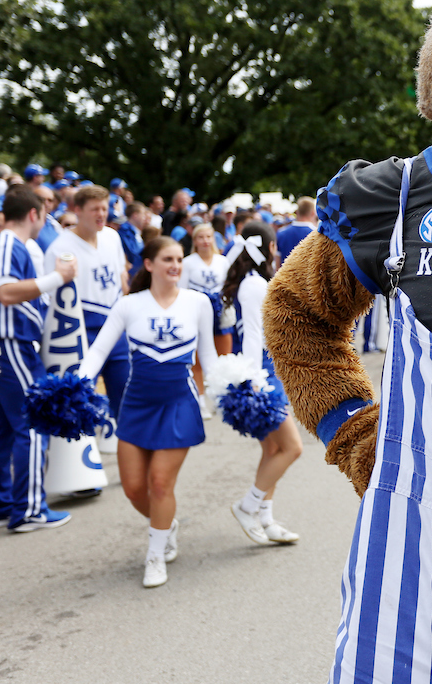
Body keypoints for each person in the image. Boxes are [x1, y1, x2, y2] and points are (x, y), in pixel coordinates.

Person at [79, 236, 217, 587]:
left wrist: (230, 390)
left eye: (178, 260)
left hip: (178, 403)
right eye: (167, 259)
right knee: (134, 488)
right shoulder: (128, 305)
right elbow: (97, 352)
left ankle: (155, 555)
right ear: (149, 264)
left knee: (159, 483)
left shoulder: (198, 303)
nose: (175, 265)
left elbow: (209, 358)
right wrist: (76, 384)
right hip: (136, 403)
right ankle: (165, 524)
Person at [0, 185, 78, 531]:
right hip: (10, 342)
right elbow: (5, 291)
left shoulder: (5, 244)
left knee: (0, 428)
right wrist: (57, 277)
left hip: (1, 343)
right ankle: (28, 510)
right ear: (34, 214)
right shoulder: (7, 244)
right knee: (32, 423)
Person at [223, 221, 302, 546]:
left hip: (263, 373)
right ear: (270, 248)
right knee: (292, 448)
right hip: (261, 377)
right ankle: (248, 506)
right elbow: (254, 337)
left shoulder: (248, 282)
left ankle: (266, 519)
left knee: (272, 449)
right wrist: (255, 383)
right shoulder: (254, 284)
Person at [45, 185, 131, 442]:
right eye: (95, 209)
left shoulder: (112, 237)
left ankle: (127, 445)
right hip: (81, 329)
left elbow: (121, 277)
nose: (101, 214)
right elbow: (53, 300)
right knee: (81, 394)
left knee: (124, 390)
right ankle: (81, 456)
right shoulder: (59, 247)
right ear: (77, 210)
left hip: (115, 327)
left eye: (105, 208)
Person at [181, 222, 233, 356]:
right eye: (201, 237)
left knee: (224, 354)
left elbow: (229, 288)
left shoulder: (222, 261)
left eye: (209, 237)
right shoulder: (187, 262)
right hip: (196, 312)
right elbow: (181, 290)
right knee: (199, 356)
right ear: (194, 241)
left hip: (220, 313)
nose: (205, 240)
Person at [274, 196, 317, 264]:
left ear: (297, 212)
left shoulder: (281, 233)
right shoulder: (317, 234)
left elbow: (277, 263)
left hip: (286, 273)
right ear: (313, 213)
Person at [118, 201, 148, 269]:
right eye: (143, 214)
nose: (145, 218)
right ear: (135, 215)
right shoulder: (125, 231)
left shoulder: (134, 231)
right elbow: (133, 255)